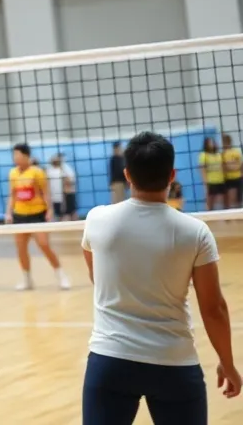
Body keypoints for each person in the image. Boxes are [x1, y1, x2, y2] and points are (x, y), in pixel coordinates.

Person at [81, 131, 240, 424]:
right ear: (172, 175)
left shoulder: (96, 219)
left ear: (127, 175)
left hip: (110, 362)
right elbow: (213, 307)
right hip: (174, 364)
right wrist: (227, 364)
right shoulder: (195, 232)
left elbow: (97, 277)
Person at [6, 144, 70, 291]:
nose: (15, 158)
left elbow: (45, 193)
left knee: (44, 245)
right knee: (21, 249)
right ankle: (27, 280)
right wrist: (8, 212)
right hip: (19, 215)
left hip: (37, 214)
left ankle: (61, 275)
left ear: (26, 156)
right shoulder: (13, 173)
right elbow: (12, 194)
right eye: (14, 155)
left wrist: (50, 210)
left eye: (18, 155)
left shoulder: (37, 172)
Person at [47, 154, 78, 221]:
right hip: (55, 196)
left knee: (69, 213)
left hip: (65, 195)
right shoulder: (50, 170)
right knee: (61, 214)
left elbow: (70, 181)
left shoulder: (65, 168)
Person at [199, 137, 226, 211]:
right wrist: (205, 182)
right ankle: (208, 215)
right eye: (210, 142)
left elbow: (223, 167)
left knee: (222, 200)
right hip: (210, 181)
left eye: (213, 142)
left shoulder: (218, 154)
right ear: (206, 144)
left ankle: (224, 218)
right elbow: (202, 169)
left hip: (220, 180)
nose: (212, 144)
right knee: (210, 201)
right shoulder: (203, 155)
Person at [221, 134, 241, 209]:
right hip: (228, 178)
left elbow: (240, 165)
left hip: (238, 177)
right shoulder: (222, 153)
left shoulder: (236, 152)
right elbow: (224, 167)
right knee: (229, 199)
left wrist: (232, 167)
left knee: (238, 199)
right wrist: (231, 167)